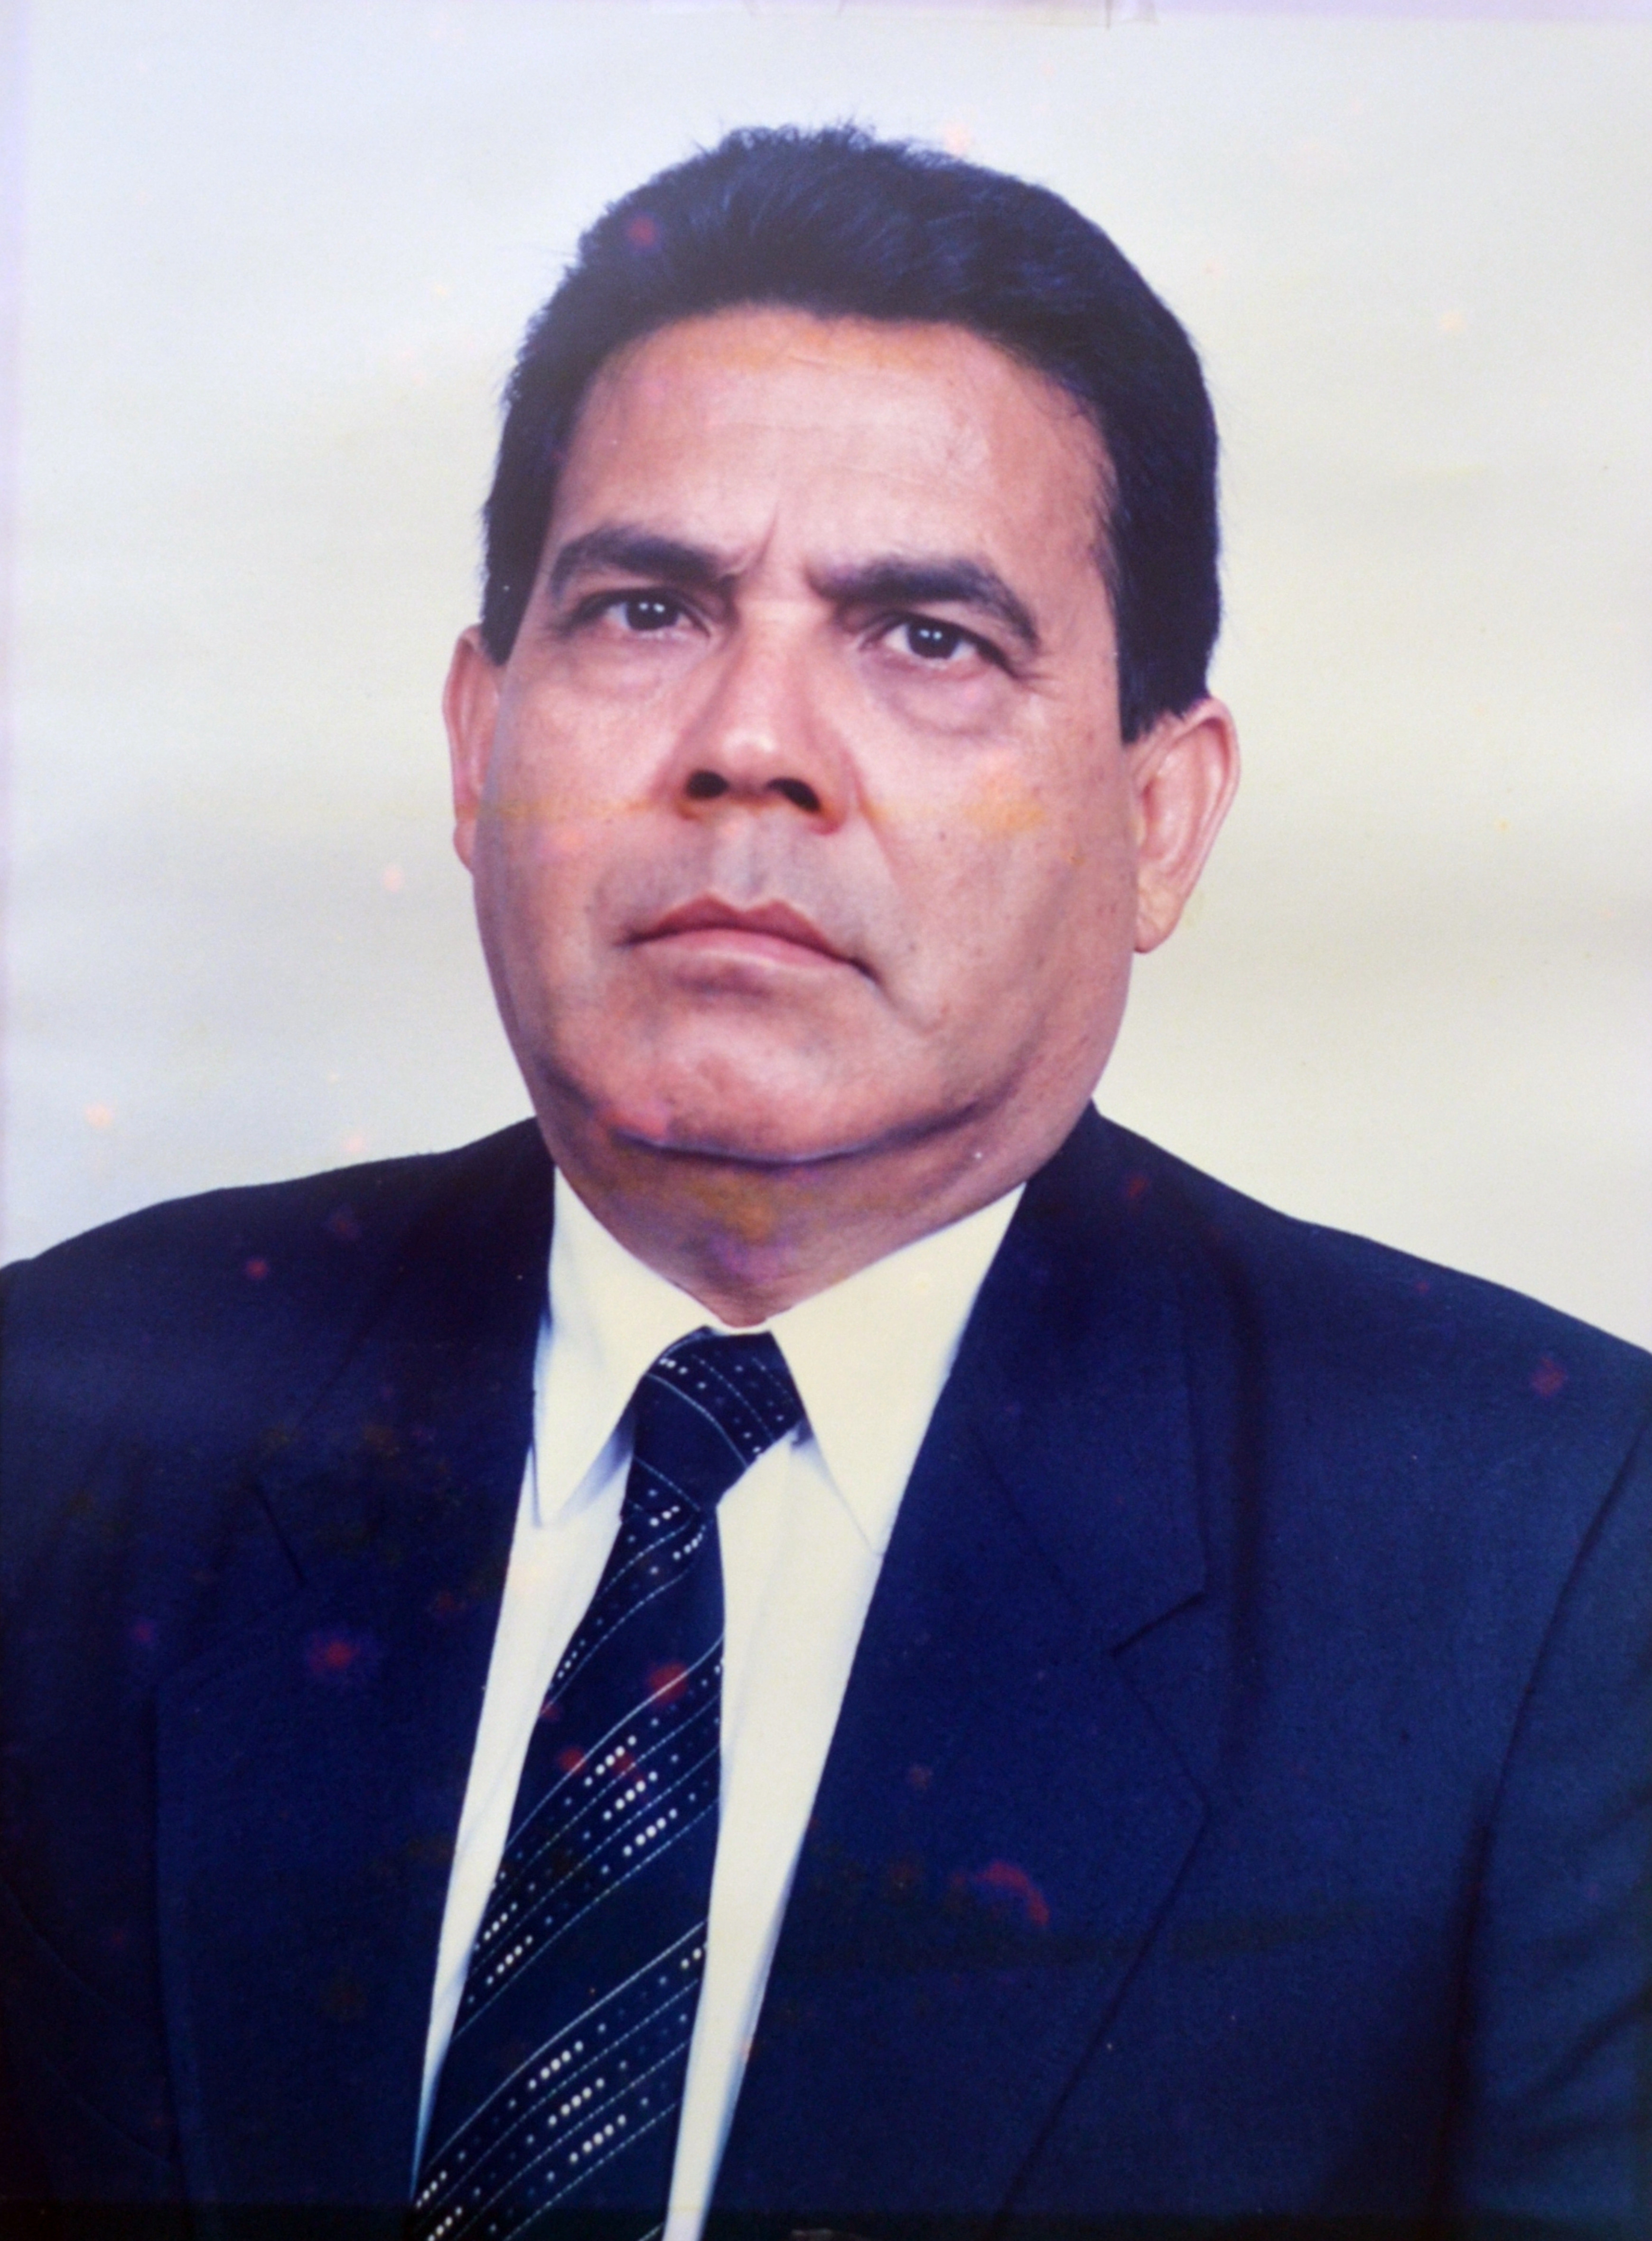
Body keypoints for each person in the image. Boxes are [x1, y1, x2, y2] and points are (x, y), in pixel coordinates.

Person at [1, 126, 1647, 2241]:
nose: (750, 741)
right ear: (479, 740)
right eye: (647, 608)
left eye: (927, 638)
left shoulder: (1548, 1554)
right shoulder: (71, 1412)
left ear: (1158, 817)